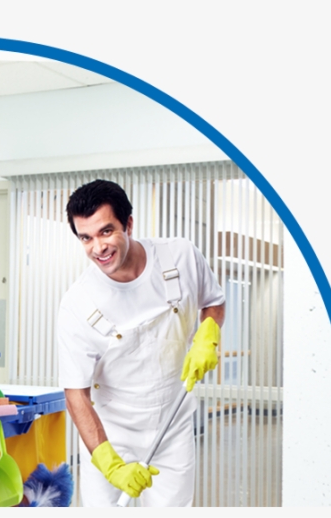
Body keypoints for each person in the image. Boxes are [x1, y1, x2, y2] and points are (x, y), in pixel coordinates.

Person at [57, 179, 225, 507]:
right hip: (110, 433)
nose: (98, 248)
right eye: (86, 238)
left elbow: (213, 301)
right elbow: (75, 394)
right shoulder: (78, 304)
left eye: (106, 231)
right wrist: (109, 462)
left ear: (128, 224)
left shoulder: (180, 257)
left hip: (172, 427)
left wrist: (209, 333)